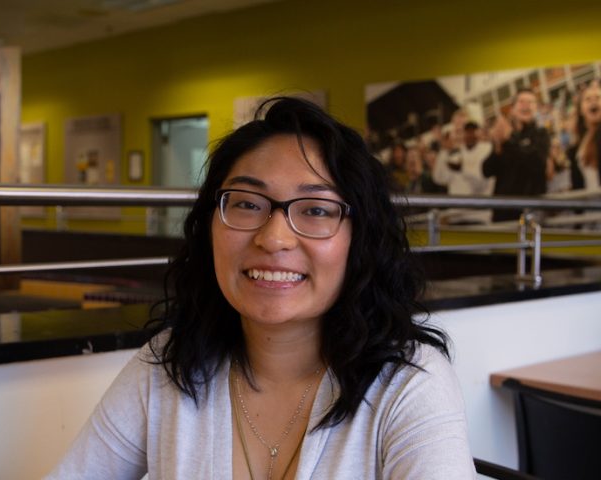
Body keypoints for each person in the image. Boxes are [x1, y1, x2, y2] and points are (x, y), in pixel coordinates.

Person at [45, 97, 475, 479]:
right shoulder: (169, 365)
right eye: (248, 204)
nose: (274, 239)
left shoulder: (407, 383)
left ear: (360, 240)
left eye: (316, 210)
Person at [482, 88, 550, 222]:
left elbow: (537, 164)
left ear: (536, 108)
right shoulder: (503, 137)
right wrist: (497, 148)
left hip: (530, 210)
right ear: (512, 109)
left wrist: (510, 138)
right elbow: (486, 171)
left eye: (531, 102)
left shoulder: (541, 134)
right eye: (521, 102)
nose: (526, 105)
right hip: (503, 212)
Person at [432, 121, 493, 224]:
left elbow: (482, 184)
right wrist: (443, 150)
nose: (470, 135)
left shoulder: (487, 149)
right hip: (455, 217)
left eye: (473, 131)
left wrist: (463, 170)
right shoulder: (457, 151)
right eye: (467, 131)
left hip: (478, 217)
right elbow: (439, 178)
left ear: (479, 132)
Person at [567, 79, 601, 191]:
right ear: (581, 109)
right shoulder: (578, 142)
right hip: (591, 205)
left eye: (597, 98)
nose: (593, 102)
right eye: (588, 99)